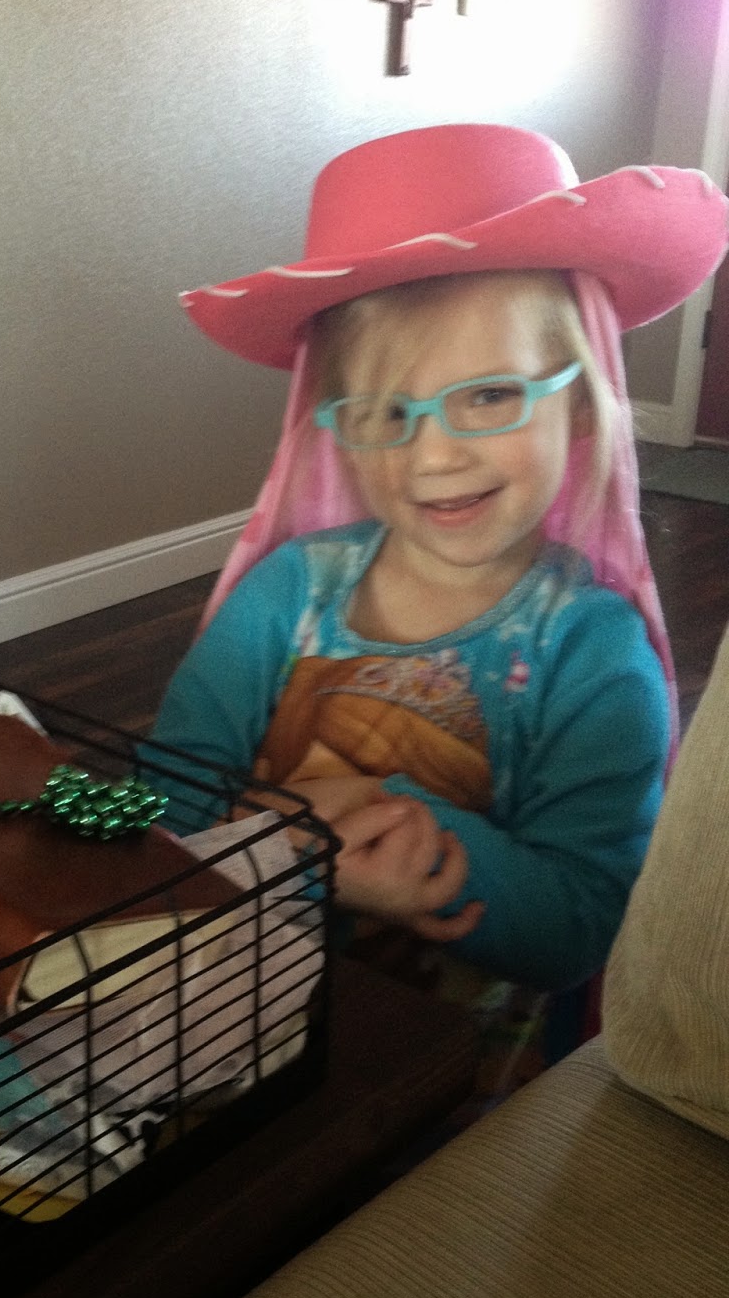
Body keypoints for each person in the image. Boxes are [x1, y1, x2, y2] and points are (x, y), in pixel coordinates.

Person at [151, 123, 728, 1074]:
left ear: (580, 400)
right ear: (335, 427)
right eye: (387, 412)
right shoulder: (288, 592)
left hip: (441, 1084)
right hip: (231, 1034)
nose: (435, 454)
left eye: (491, 395)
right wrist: (297, 848)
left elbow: (581, 928)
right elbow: (163, 799)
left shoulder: (591, 652)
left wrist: (394, 831)